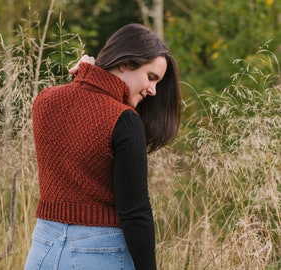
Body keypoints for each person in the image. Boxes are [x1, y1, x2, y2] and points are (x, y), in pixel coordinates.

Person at [25, 23, 181, 270]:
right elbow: (135, 212)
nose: (153, 91)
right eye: (151, 77)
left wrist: (87, 74)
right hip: (99, 254)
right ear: (125, 63)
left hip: (43, 249)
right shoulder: (123, 120)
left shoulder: (44, 100)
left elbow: (78, 112)